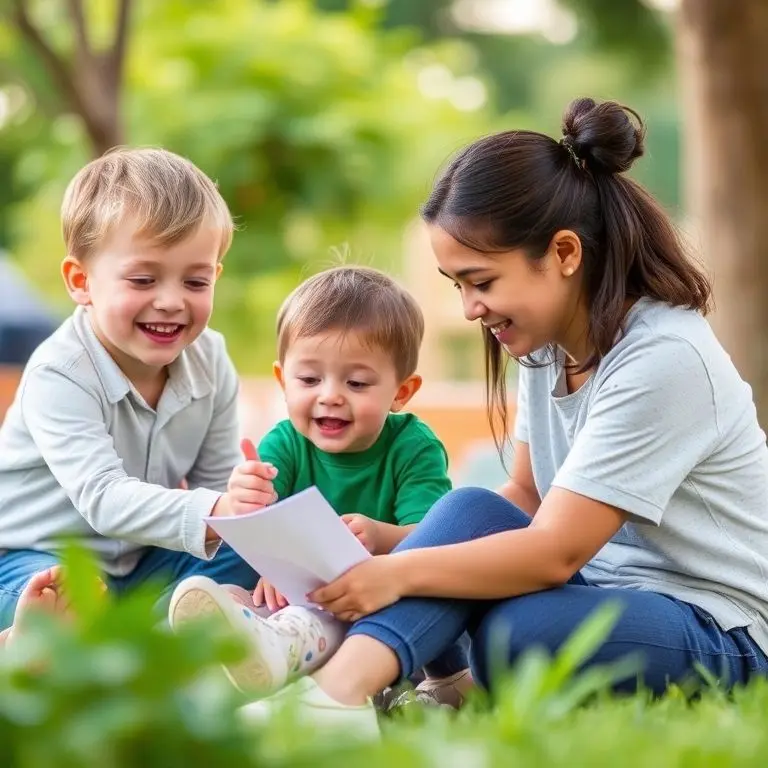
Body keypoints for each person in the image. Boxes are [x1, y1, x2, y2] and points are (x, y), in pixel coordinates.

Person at [241, 97, 768, 735]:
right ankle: (337, 691)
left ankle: (335, 679)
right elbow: (522, 497)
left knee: (518, 636)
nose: (469, 309)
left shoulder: (664, 359)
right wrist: (391, 539)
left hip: (721, 623)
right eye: (456, 283)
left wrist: (396, 571)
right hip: (602, 589)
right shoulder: (546, 347)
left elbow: (553, 552)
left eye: (481, 282)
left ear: (565, 253)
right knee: (471, 512)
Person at [169, 266, 472, 708]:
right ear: (282, 381)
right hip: (299, 597)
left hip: (388, 601)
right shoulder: (284, 443)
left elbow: (435, 540)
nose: (330, 395)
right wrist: (244, 495)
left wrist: (382, 536)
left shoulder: (413, 447)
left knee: (407, 611)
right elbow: (258, 524)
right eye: (309, 380)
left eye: (357, 383)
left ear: (401, 392)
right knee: (235, 593)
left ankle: (425, 685)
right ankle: (234, 656)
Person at [0, 148, 259, 630]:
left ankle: (143, 639)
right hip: (35, 558)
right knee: (60, 594)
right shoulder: (60, 372)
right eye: (143, 279)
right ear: (82, 281)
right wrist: (217, 507)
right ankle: (33, 644)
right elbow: (103, 498)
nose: (170, 301)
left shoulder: (212, 358)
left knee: (247, 556)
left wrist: (240, 504)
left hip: (143, 564)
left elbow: (216, 482)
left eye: (196, 281)